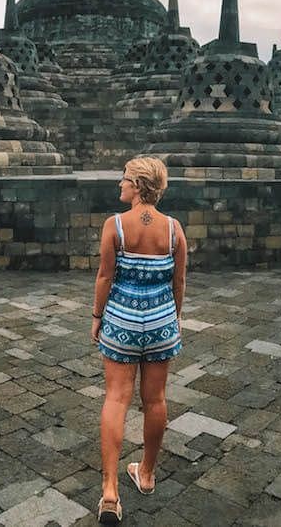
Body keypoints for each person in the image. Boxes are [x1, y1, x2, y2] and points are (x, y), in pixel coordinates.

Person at [92, 157, 186, 524]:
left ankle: (111, 492)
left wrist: (97, 317)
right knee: (156, 399)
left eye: (125, 179)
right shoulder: (174, 230)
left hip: (122, 320)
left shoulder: (115, 225)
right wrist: (173, 319)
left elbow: (104, 277)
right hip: (161, 320)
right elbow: (178, 283)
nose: (120, 184)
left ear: (137, 186)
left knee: (116, 398)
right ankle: (146, 474)